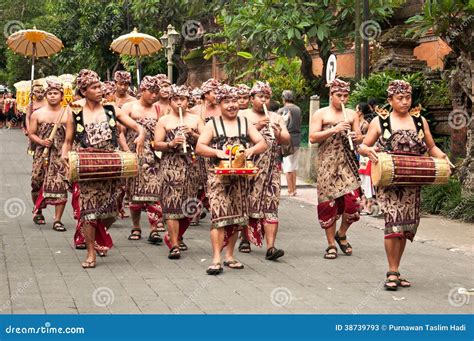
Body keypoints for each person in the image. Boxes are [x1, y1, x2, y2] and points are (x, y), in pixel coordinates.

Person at [359, 80, 451, 290]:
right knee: (393, 223)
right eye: (399, 98)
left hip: (412, 182)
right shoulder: (380, 122)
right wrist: (368, 151)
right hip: (389, 181)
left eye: (407, 97)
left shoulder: (420, 121)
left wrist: (444, 158)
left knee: (405, 227)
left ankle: (396, 269)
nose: (405, 102)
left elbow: (431, 146)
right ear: (390, 100)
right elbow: (364, 145)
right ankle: (391, 272)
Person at [62, 69, 145, 269]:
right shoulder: (74, 110)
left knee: (111, 212)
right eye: (94, 87)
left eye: (100, 86)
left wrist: (141, 134)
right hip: (87, 165)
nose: (100, 90)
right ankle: (91, 253)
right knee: (89, 211)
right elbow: (68, 140)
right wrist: (64, 155)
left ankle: (98, 235)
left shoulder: (111, 108)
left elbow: (136, 126)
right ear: (83, 91)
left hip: (111, 164)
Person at [196, 84, 267, 275]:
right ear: (219, 104)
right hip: (218, 177)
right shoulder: (213, 124)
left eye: (234, 101)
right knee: (219, 216)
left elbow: (262, 142)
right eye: (227, 101)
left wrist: (251, 150)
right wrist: (218, 152)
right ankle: (216, 258)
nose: (231, 105)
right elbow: (200, 147)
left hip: (240, 177)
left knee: (236, 217)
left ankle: (230, 255)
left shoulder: (245, 123)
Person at [309, 78, 362, 260]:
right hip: (327, 165)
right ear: (331, 95)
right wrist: (335, 129)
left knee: (353, 202)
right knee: (328, 204)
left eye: (346, 96)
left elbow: (360, 139)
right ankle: (331, 243)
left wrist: (356, 137)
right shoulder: (321, 114)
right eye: (338, 95)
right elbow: (313, 137)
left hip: (348, 164)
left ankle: (342, 232)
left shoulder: (352, 114)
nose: (342, 99)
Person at [239, 81, 291, 261]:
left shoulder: (276, 117)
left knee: (271, 206)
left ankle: (271, 247)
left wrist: (277, 133)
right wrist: (258, 127)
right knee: (246, 203)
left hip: (271, 170)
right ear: (251, 98)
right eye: (260, 96)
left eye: (267, 97)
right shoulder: (241, 115)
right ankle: (245, 238)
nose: (264, 100)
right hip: (248, 169)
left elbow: (286, 139)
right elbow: (236, 138)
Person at [153, 84, 205, 259]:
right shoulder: (164, 120)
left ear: (188, 101)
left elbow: (206, 141)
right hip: (170, 168)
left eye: (182, 99)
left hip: (191, 167)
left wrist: (193, 134)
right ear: (170, 101)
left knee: (188, 205)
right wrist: (171, 143)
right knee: (171, 205)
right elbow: (156, 144)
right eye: (175, 99)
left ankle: (179, 235)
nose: (179, 103)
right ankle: (174, 244)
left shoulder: (196, 119)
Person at [121, 76, 163, 243]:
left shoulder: (159, 109)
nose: (154, 95)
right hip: (134, 155)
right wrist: (127, 152)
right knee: (134, 195)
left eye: (156, 92)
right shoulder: (129, 107)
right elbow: (121, 133)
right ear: (142, 90)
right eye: (151, 92)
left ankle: (154, 229)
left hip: (153, 158)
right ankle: (136, 226)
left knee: (154, 193)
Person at [29, 80, 68, 230]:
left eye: (55, 93)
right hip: (41, 153)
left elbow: (70, 137)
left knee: (61, 184)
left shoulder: (67, 113)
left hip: (60, 154)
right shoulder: (37, 114)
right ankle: (38, 210)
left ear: (61, 96)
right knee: (36, 181)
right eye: (50, 93)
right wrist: (42, 141)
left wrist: (65, 152)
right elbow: (31, 133)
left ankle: (58, 219)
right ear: (46, 95)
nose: (52, 96)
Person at [278, 90, 302, 196]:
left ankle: (290, 190)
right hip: (297, 139)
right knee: (294, 165)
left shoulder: (281, 110)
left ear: (284, 98)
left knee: (287, 166)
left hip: (286, 139)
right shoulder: (298, 109)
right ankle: (295, 189)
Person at [356, 102, 376, 215]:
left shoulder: (366, 124)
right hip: (359, 152)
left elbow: (369, 138)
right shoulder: (359, 122)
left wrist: (359, 138)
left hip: (367, 152)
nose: (355, 112)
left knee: (367, 179)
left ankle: (368, 205)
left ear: (360, 111)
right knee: (361, 178)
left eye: (357, 109)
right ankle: (363, 205)